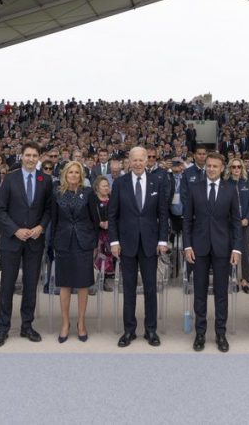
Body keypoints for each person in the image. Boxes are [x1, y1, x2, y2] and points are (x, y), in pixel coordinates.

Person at [0, 142, 52, 347]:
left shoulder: (46, 180)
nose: (31, 158)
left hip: (35, 240)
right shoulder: (10, 179)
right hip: (12, 240)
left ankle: (27, 325)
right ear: (21, 156)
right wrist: (15, 230)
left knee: (30, 285)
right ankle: (3, 327)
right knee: (7, 285)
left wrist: (41, 227)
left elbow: (48, 209)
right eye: (27, 155)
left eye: (35, 155)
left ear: (39, 158)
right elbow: (0, 210)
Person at [109, 146, 169, 347]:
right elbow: (113, 215)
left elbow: (163, 214)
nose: (137, 163)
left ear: (147, 161)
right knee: (129, 289)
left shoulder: (157, 182)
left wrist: (162, 240)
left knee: (151, 288)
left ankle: (151, 330)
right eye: (133, 160)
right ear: (129, 161)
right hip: (126, 244)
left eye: (141, 159)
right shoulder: (119, 183)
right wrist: (114, 241)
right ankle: (129, 330)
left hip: (150, 244)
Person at [183, 152, 240, 352]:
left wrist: (236, 248)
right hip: (198, 248)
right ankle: (200, 333)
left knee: (221, 293)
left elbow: (235, 222)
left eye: (215, 166)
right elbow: (187, 220)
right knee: (199, 292)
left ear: (222, 168)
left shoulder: (231, 189)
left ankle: (220, 333)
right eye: (208, 166)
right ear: (204, 166)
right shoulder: (194, 188)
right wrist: (187, 246)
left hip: (223, 248)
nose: (211, 169)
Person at [50, 161, 98, 343]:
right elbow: (54, 220)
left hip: (83, 243)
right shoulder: (57, 193)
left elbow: (94, 220)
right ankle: (65, 323)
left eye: (77, 173)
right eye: (70, 172)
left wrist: (93, 243)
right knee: (65, 285)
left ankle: (81, 322)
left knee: (83, 284)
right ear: (65, 174)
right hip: (63, 242)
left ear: (81, 176)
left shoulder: (88, 193)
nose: (73, 175)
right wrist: (53, 243)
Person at [226, 158, 249, 294]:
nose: (236, 169)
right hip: (231, 224)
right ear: (230, 169)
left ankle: (244, 280)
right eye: (233, 167)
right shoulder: (225, 183)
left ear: (242, 168)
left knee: (245, 251)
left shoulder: (247, 183)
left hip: (245, 223)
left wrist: (248, 218)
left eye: (238, 167)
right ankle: (233, 279)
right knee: (232, 250)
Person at [91, 176, 114, 290]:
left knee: (107, 257)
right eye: (103, 186)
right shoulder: (93, 200)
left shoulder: (112, 200)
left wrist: (110, 222)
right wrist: (99, 223)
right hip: (96, 233)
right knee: (96, 256)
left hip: (109, 233)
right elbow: (90, 215)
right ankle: (94, 282)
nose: (106, 188)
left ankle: (104, 281)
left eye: (107, 186)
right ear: (97, 187)